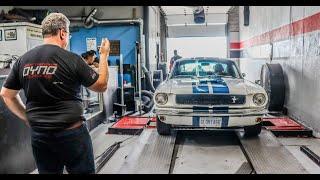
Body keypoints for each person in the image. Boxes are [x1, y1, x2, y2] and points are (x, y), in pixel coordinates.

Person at [0, 13, 110, 174]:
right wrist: (104, 55)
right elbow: (101, 86)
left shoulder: (22, 61)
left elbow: (6, 94)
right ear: (62, 33)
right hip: (72, 135)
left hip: (40, 136)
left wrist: (27, 117)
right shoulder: (72, 59)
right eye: (68, 34)